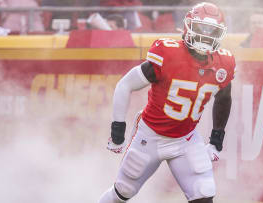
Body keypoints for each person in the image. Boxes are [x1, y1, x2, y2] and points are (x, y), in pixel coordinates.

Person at [98, 2, 236, 203]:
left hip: (186, 139)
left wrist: (216, 139)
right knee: (122, 193)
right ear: (188, 26)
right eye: (201, 29)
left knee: (203, 194)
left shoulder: (224, 63)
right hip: (151, 136)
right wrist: (117, 130)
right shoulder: (167, 53)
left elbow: (224, 98)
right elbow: (124, 85)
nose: (206, 37)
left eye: (212, 31)